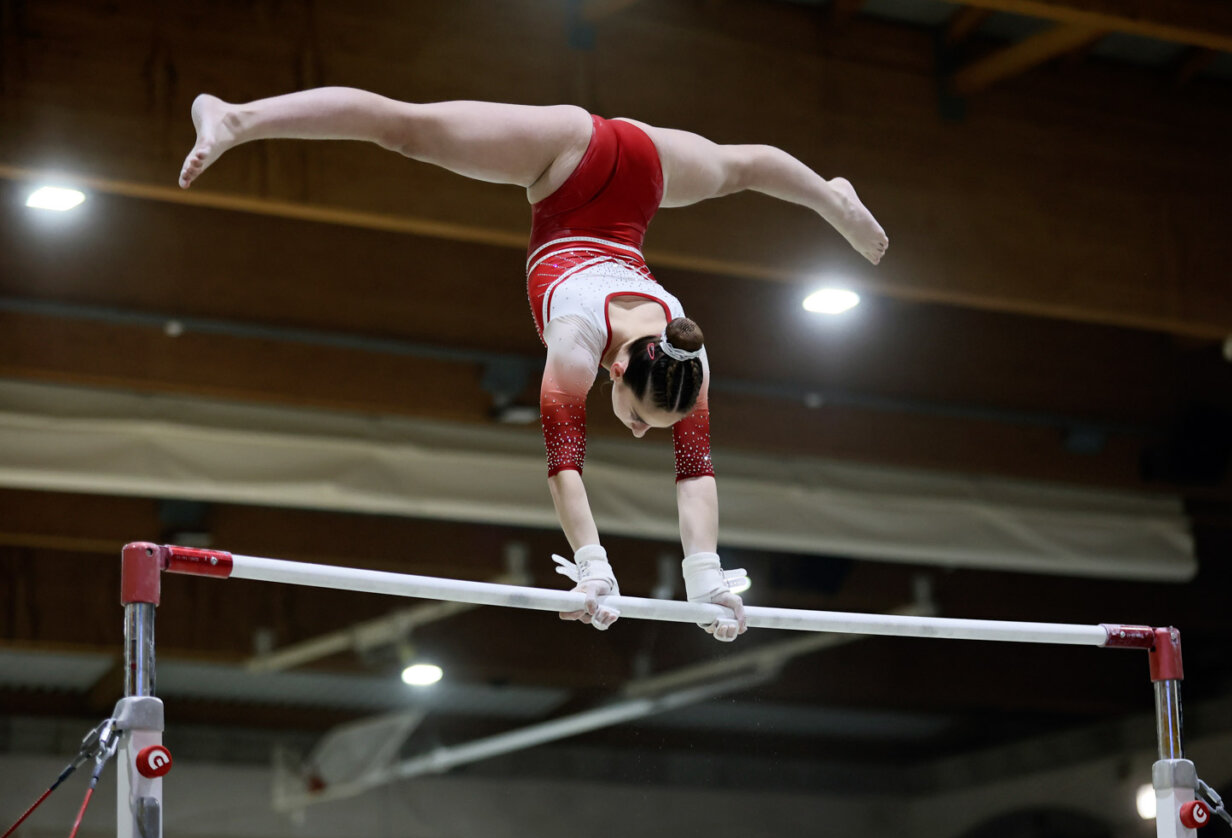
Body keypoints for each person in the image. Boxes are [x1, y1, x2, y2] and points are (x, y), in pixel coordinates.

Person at [179, 88, 888, 642]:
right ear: (616, 374)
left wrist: (706, 582)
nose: (641, 430)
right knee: (405, 128)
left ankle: (833, 196)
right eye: (641, 419)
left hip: (644, 173)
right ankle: (234, 118)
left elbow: (696, 472)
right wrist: (594, 568)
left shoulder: (684, 359)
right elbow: (565, 467)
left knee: (741, 169)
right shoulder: (575, 343)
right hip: (568, 163)